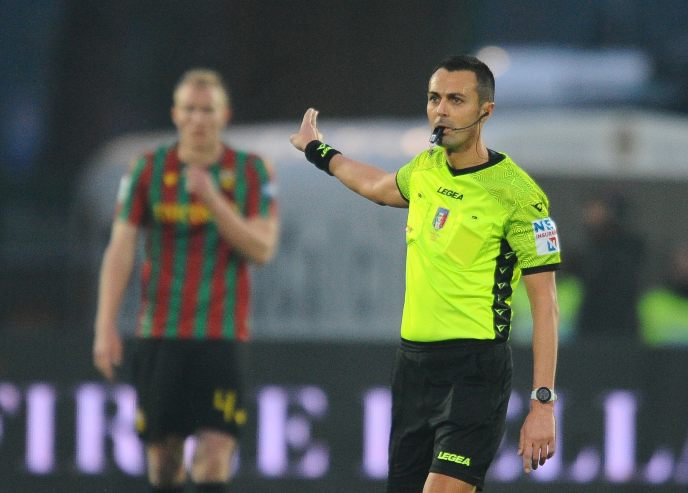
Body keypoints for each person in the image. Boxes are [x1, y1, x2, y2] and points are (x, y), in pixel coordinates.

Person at [290, 55, 560, 493]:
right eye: (435, 98)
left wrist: (542, 402)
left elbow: (545, 303)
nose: (441, 110)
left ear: (485, 111)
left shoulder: (519, 196)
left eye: (456, 99)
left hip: (474, 370)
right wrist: (318, 151)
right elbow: (375, 186)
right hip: (414, 369)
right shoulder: (426, 170)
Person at [93, 68, 279, 493]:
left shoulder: (250, 171)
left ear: (224, 115)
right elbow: (120, 249)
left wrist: (212, 199)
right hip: (160, 333)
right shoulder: (146, 169)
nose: (199, 119)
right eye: (190, 110)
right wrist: (104, 325)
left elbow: (262, 249)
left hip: (222, 335)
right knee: (164, 462)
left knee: (214, 456)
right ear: (176, 115)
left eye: (207, 110)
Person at [576, 191, 644, 340]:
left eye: (596, 210)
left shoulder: (627, 249)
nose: (589, 216)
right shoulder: (588, 251)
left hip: (620, 328)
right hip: (592, 329)